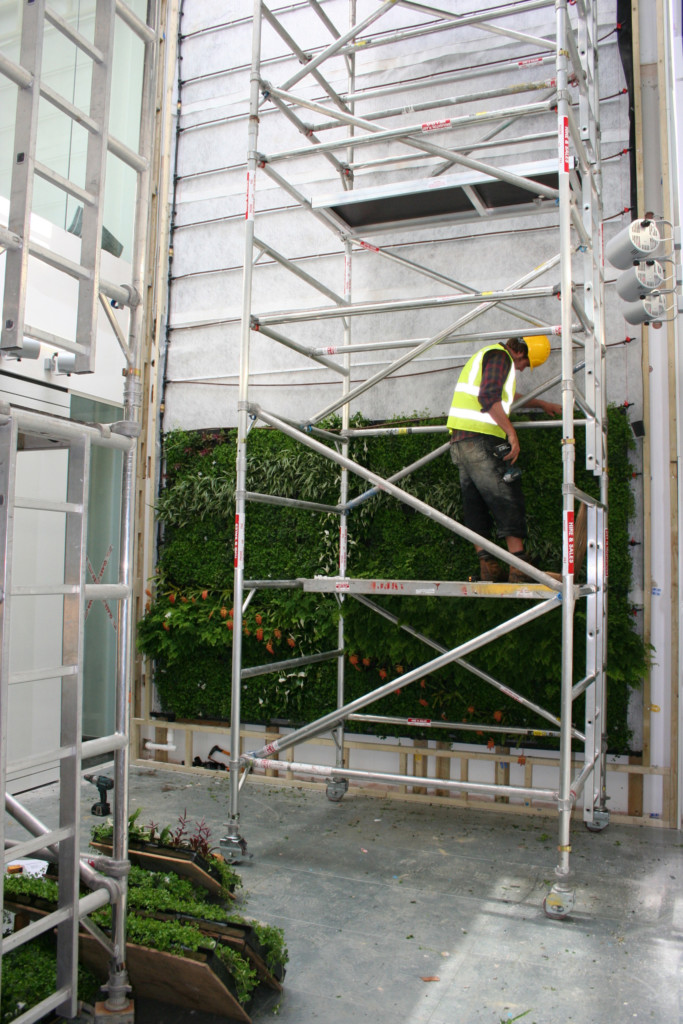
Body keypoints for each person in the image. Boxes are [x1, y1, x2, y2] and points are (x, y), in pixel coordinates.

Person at [447, 335, 562, 582]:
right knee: (506, 494)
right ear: (521, 353)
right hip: (482, 438)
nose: (522, 368)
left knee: (474, 502)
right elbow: (489, 398)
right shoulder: (501, 358)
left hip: (460, 440)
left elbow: (504, 397)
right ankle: (519, 564)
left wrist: (541, 403)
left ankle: (488, 565)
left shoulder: (487, 355)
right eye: (526, 364)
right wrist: (511, 432)